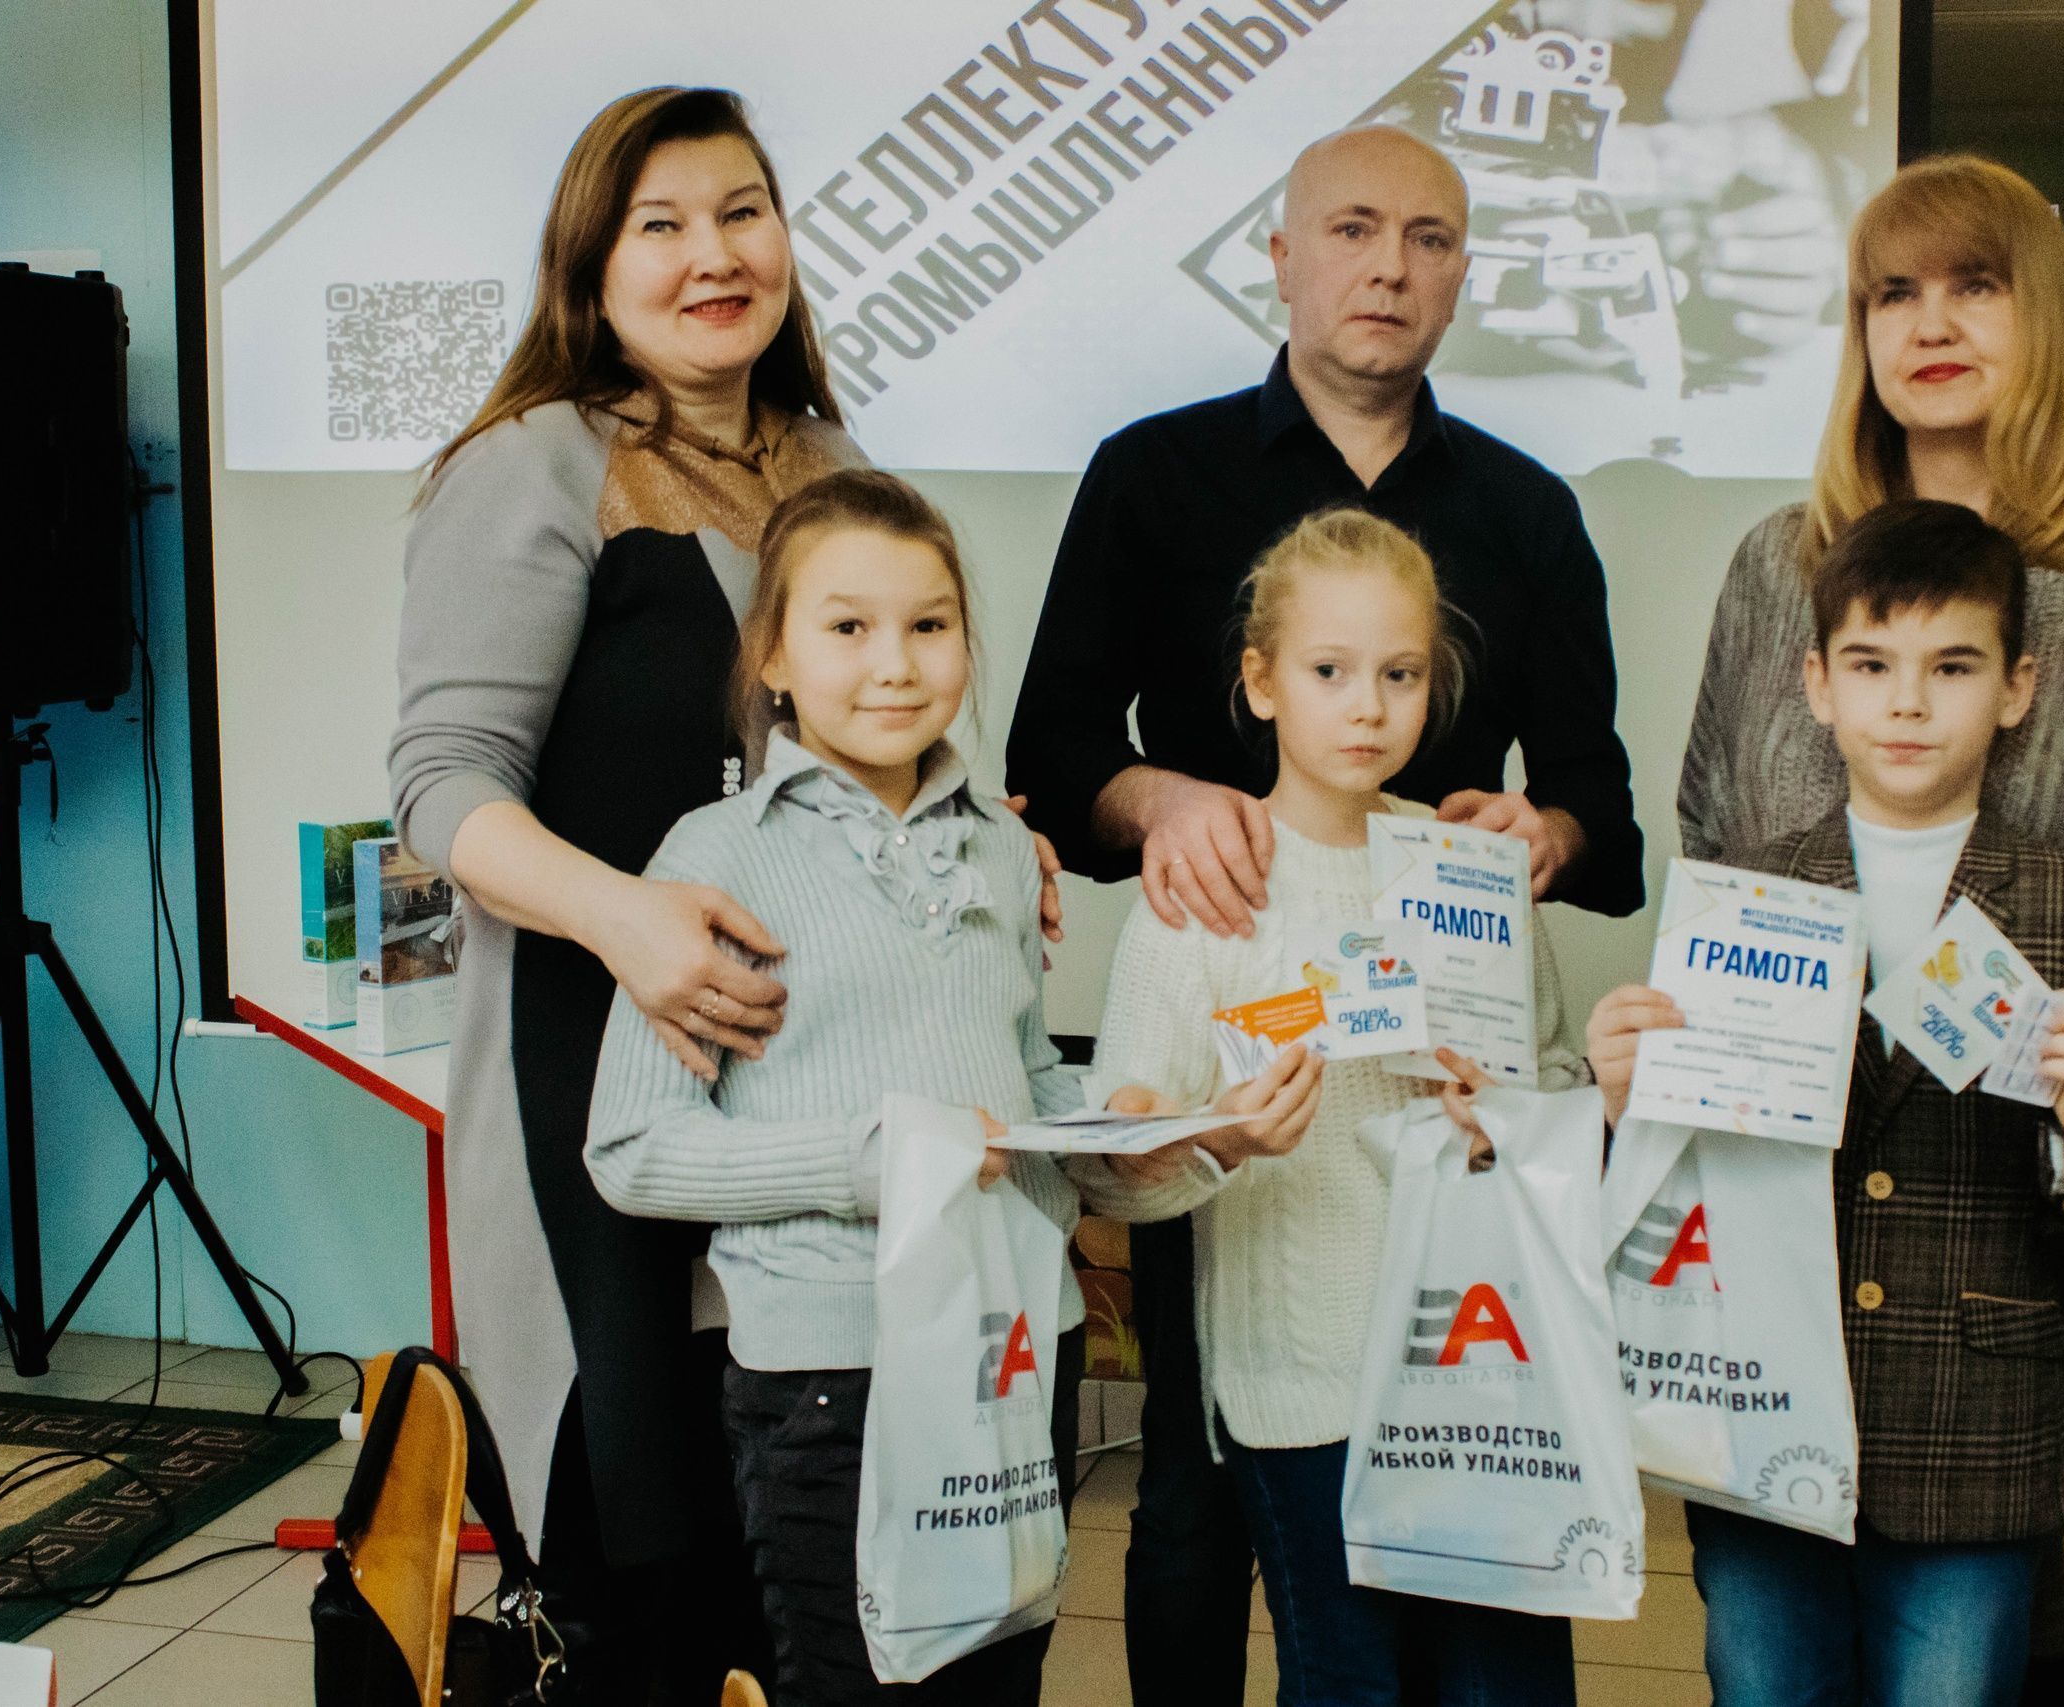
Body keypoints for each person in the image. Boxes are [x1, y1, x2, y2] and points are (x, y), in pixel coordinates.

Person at [1006, 123, 1643, 1704]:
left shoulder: (1530, 509)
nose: (1389, 266)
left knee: (1467, 1611)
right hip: (1228, 1041)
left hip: (1451, 1145)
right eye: (1353, 229)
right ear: (1281, 257)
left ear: (1463, 275)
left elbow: (1598, 808)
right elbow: (1051, 749)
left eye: (1430, 238)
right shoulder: (1153, 473)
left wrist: (1539, 835)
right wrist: (1165, 802)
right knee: (1193, 1497)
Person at [1674, 152, 2064, 1704]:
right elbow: (1713, 835)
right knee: (1780, 1581)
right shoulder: (1778, 563)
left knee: (1992, 1558)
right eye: (1894, 293)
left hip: (2012, 1171)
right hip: (1789, 1175)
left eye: (1975, 285)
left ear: (2043, 311)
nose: (1930, 323)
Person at [390, 87, 873, 1702]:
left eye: (742, 212)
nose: (712, 255)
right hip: (591, 1071)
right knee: (634, 1561)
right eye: (661, 225)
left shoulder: (832, 468)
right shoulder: (535, 463)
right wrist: (625, 918)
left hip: (807, 1086)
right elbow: (445, 780)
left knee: (797, 1573)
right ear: (591, 269)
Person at [581, 470, 1211, 1706]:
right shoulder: (714, 856)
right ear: (772, 655)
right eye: (847, 626)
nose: (895, 664)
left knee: (999, 1686)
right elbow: (633, 1149)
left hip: (1014, 1354)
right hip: (833, 1381)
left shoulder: (1001, 845)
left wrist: (1145, 1143)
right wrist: (872, 1163)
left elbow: (1023, 1087)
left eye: (929, 624)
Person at [1601, 500, 2064, 1706]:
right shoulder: (1740, 895)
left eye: (1951, 667)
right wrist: (1622, 1105)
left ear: (2016, 689)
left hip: (1977, 1425)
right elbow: (1674, 1188)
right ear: (1817, 685)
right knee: (1765, 1689)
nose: (1907, 703)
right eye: (1871, 665)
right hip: (1759, 1413)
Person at [1083, 508, 1584, 1707]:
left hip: (1480, 1376)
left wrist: (1500, 1110)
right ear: (1259, 684)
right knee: (1349, 1682)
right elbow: (1112, 1159)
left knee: (1505, 1686)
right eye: (1328, 672)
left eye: (1399, 675)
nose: (1367, 708)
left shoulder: (1468, 871)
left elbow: (1558, 1089)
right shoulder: (1205, 884)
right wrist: (1217, 1135)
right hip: (1301, 1387)